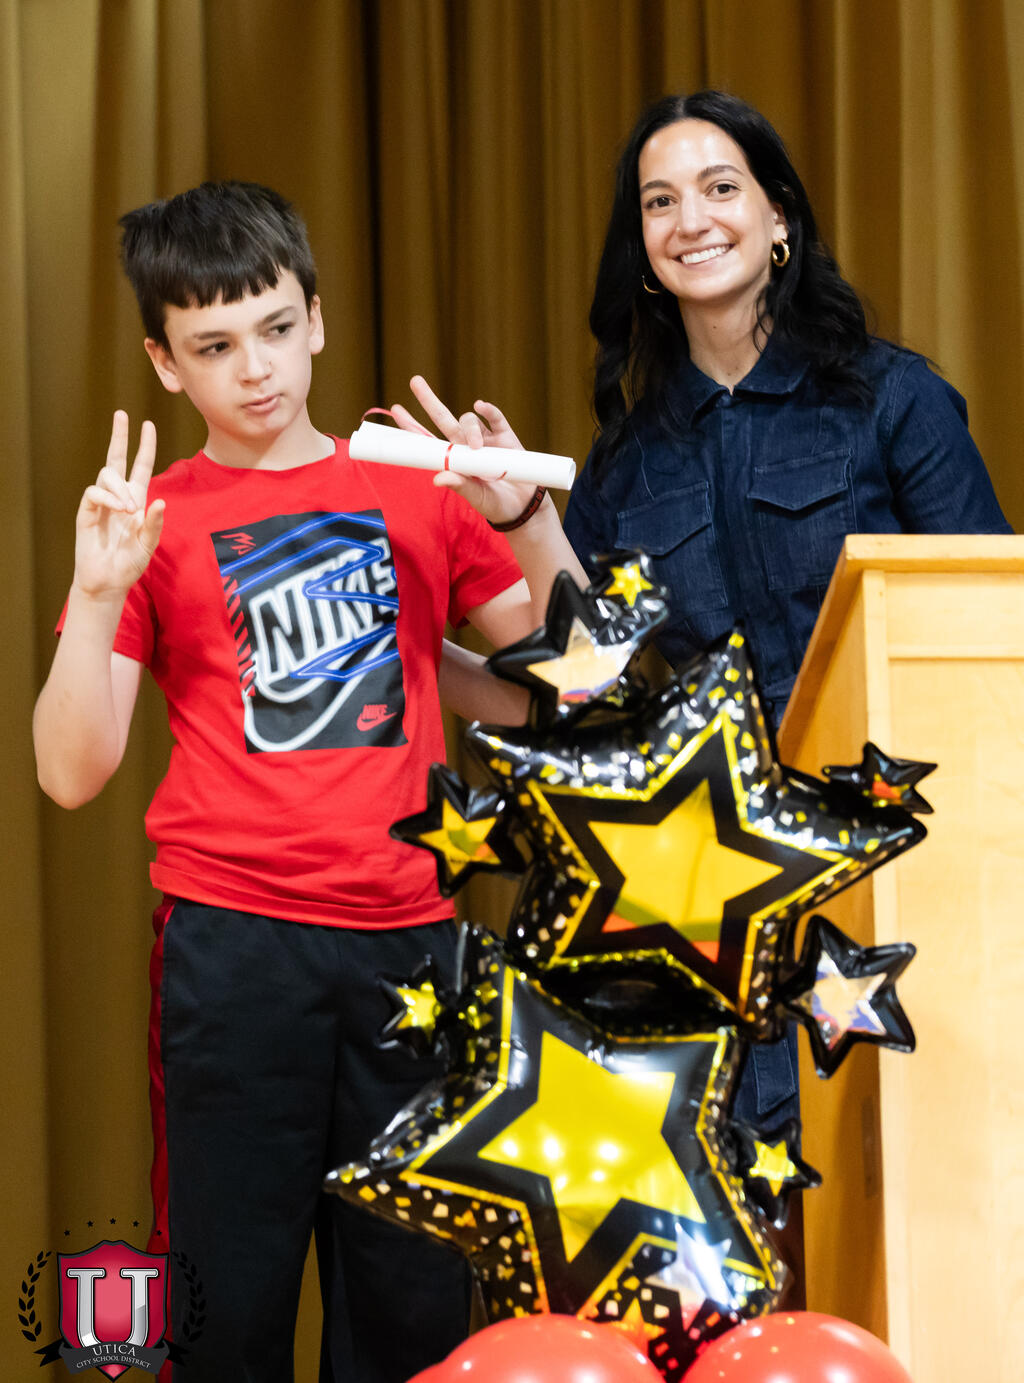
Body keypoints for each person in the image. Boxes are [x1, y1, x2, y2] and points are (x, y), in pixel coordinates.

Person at [31, 181, 568, 1383]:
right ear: (165, 363)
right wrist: (101, 592)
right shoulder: (152, 521)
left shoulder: (419, 484)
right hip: (235, 952)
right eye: (214, 346)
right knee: (227, 1313)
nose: (256, 369)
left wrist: (527, 519)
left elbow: (579, 688)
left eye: (276, 328)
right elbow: (70, 773)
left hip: (412, 945)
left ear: (317, 318)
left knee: (415, 1313)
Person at [400, 91, 1012, 1140]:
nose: (691, 220)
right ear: (642, 249)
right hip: (718, 897)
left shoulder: (892, 401)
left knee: (918, 1167)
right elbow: (587, 686)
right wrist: (521, 521)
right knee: (756, 1185)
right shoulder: (627, 462)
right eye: (659, 202)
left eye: (720, 188)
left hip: (901, 865)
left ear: (779, 220)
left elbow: (990, 631)